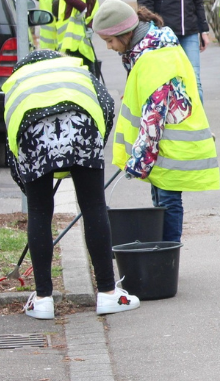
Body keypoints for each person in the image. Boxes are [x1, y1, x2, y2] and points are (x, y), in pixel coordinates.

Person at [2, 50, 139, 320]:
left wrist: (28, 184)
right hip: (83, 127)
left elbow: (10, 143)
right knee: (93, 206)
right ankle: (109, 293)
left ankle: (42, 300)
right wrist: (93, 148)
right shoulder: (77, 70)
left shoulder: (17, 82)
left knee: (40, 212)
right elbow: (107, 107)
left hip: (32, 132)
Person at [93, 0, 220, 245]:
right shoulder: (148, 48)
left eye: (109, 41)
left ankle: (167, 256)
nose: (108, 47)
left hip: (171, 144)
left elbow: (153, 119)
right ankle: (162, 253)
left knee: (169, 201)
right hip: (165, 143)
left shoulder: (154, 58)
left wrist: (139, 162)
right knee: (161, 199)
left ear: (125, 33)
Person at [58, 0, 100, 71]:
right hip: (74, 43)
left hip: (82, 43)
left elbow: (91, 16)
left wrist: (90, 27)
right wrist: (83, 7)